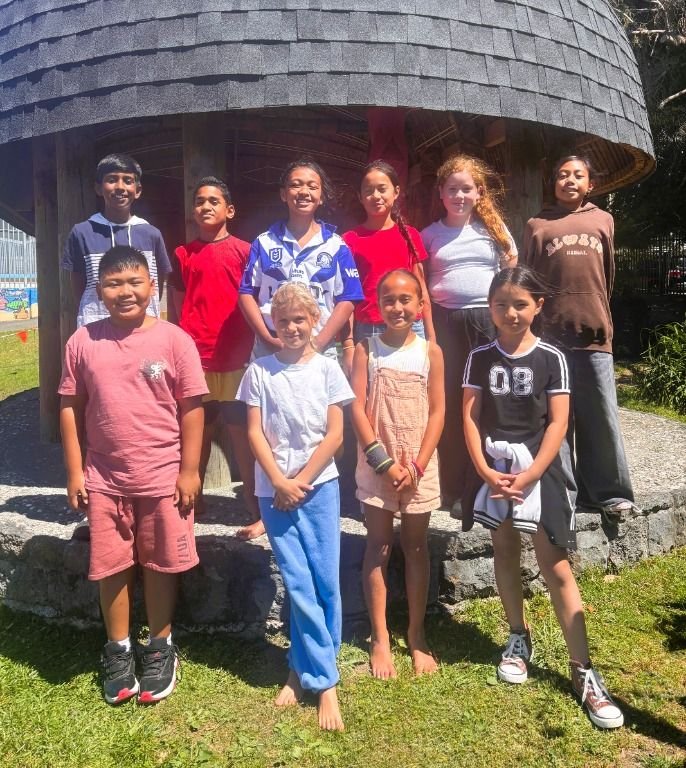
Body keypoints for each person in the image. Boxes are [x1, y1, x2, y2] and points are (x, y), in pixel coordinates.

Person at [462, 266, 624, 730]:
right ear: (489, 308)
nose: (510, 313)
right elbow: (469, 417)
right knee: (504, 550)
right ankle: (518, 637)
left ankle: (583, 669)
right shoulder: (479, 357)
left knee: (556, 566)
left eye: (520, 304)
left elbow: (558, 422)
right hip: (496, 471)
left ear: (538, 306)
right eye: (501, 304)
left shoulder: (553, 358)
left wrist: (532, 473)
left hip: (542, 472)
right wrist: (485, 470)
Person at [59, 245, 207, 705]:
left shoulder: (175, 341)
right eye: (113, 283)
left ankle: (160, 644)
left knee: (162, 562)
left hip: (163, 477)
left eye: (134, 282)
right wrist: (75, 471)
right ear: (98, 290)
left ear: (152, 286)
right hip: (104, 478)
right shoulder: (82, 341)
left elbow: (192, 408)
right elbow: (70, 407)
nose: (125, 291)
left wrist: (189, 471)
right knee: (112, 564)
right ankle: (119, 648)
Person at [237, 282, 354, 731]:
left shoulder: (328, 369)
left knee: (325, 583)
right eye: (283, 320)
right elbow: (254, 433)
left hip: (319, 487)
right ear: (273, 322)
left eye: (299, 319)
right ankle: (322, 681)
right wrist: (279, 483)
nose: (291, 327)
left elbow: (336, 434)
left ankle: (303, 669)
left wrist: (301, 481)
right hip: (275, 492)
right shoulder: (259, 372)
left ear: (314, 321)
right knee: (298, 583)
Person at [522, 155, 634, 518]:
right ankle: (562, 495)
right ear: (553, 182)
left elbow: (608, 274)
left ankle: (608, 493)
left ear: (590, 184)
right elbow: (528, 280)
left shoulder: (603, 220)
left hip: (594, 332)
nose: (569, 180)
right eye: (562, 175)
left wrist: (597, 310)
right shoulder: (537, 225)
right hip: (550, 336)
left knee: (600, 414)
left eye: (577, 175)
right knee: (556, 418)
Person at [350, 269, 444, 679]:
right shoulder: (366, 350)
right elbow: (356, 408)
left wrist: (417, 465)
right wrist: (384, 463)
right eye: (389, 299)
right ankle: (380, 636)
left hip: (420, 467)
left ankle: (416, 633)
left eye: (406, 299)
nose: (397, 307)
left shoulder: (430, 353)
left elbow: (438, 411)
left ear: (420, 306)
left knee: (416, 546)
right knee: (379, 546)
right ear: (378, 305)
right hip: (378, 466)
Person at [421, 155, 517, 515]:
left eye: (466, 189)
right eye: (452, 189)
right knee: (449, 403)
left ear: (478, 193)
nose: (459, 196)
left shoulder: (493, 229)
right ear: (441, 194)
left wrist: (502, 312)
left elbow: (511, 266)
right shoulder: (430, 235)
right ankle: (452, 487)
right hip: (446, 324)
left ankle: (482, 486)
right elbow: (420, 282)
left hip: (486, 324)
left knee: (486, 401)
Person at [171, 176, 263, 539]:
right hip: (196, 361)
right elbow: (178, 306)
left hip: (238, 359)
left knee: (244, 435)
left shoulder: (246, 251)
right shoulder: (183, 254)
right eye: (199, 201)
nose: (206, 206)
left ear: (230, 210)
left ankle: (257, 511)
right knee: (197, 434)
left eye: (214, 201)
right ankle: (190, 506)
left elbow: (256, 300)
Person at [239, 157, 363, 362]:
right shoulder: (264, 243)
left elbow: (348, 298)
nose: (304, 191)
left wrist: (318, 343)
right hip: (270, 348)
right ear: (283, 194)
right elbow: (246, 294)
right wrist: (268, 339)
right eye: (296, 185)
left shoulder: (336, 245)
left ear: (321, 196)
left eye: (312, 186)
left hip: (320, 349)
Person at [61, 153, 172, 328]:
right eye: (112, 180)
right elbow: (78, 285)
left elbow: (156, 282)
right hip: (96, 326)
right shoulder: (82, 232)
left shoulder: (151, 234)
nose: (120, 187)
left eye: (128, 181)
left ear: (138, 190)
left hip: (143, 327)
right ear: (98, 188)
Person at [342, 160, 435, 356]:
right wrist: (348, 344)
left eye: (382, 189)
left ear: (396, 191)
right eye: (368, 191)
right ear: (360, 197)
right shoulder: (350, 240)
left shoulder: (410, 235)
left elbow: (421, 289)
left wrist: (431, 337)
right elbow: (347, 295)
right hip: (369, 329)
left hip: (411, 325)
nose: (376, 196)